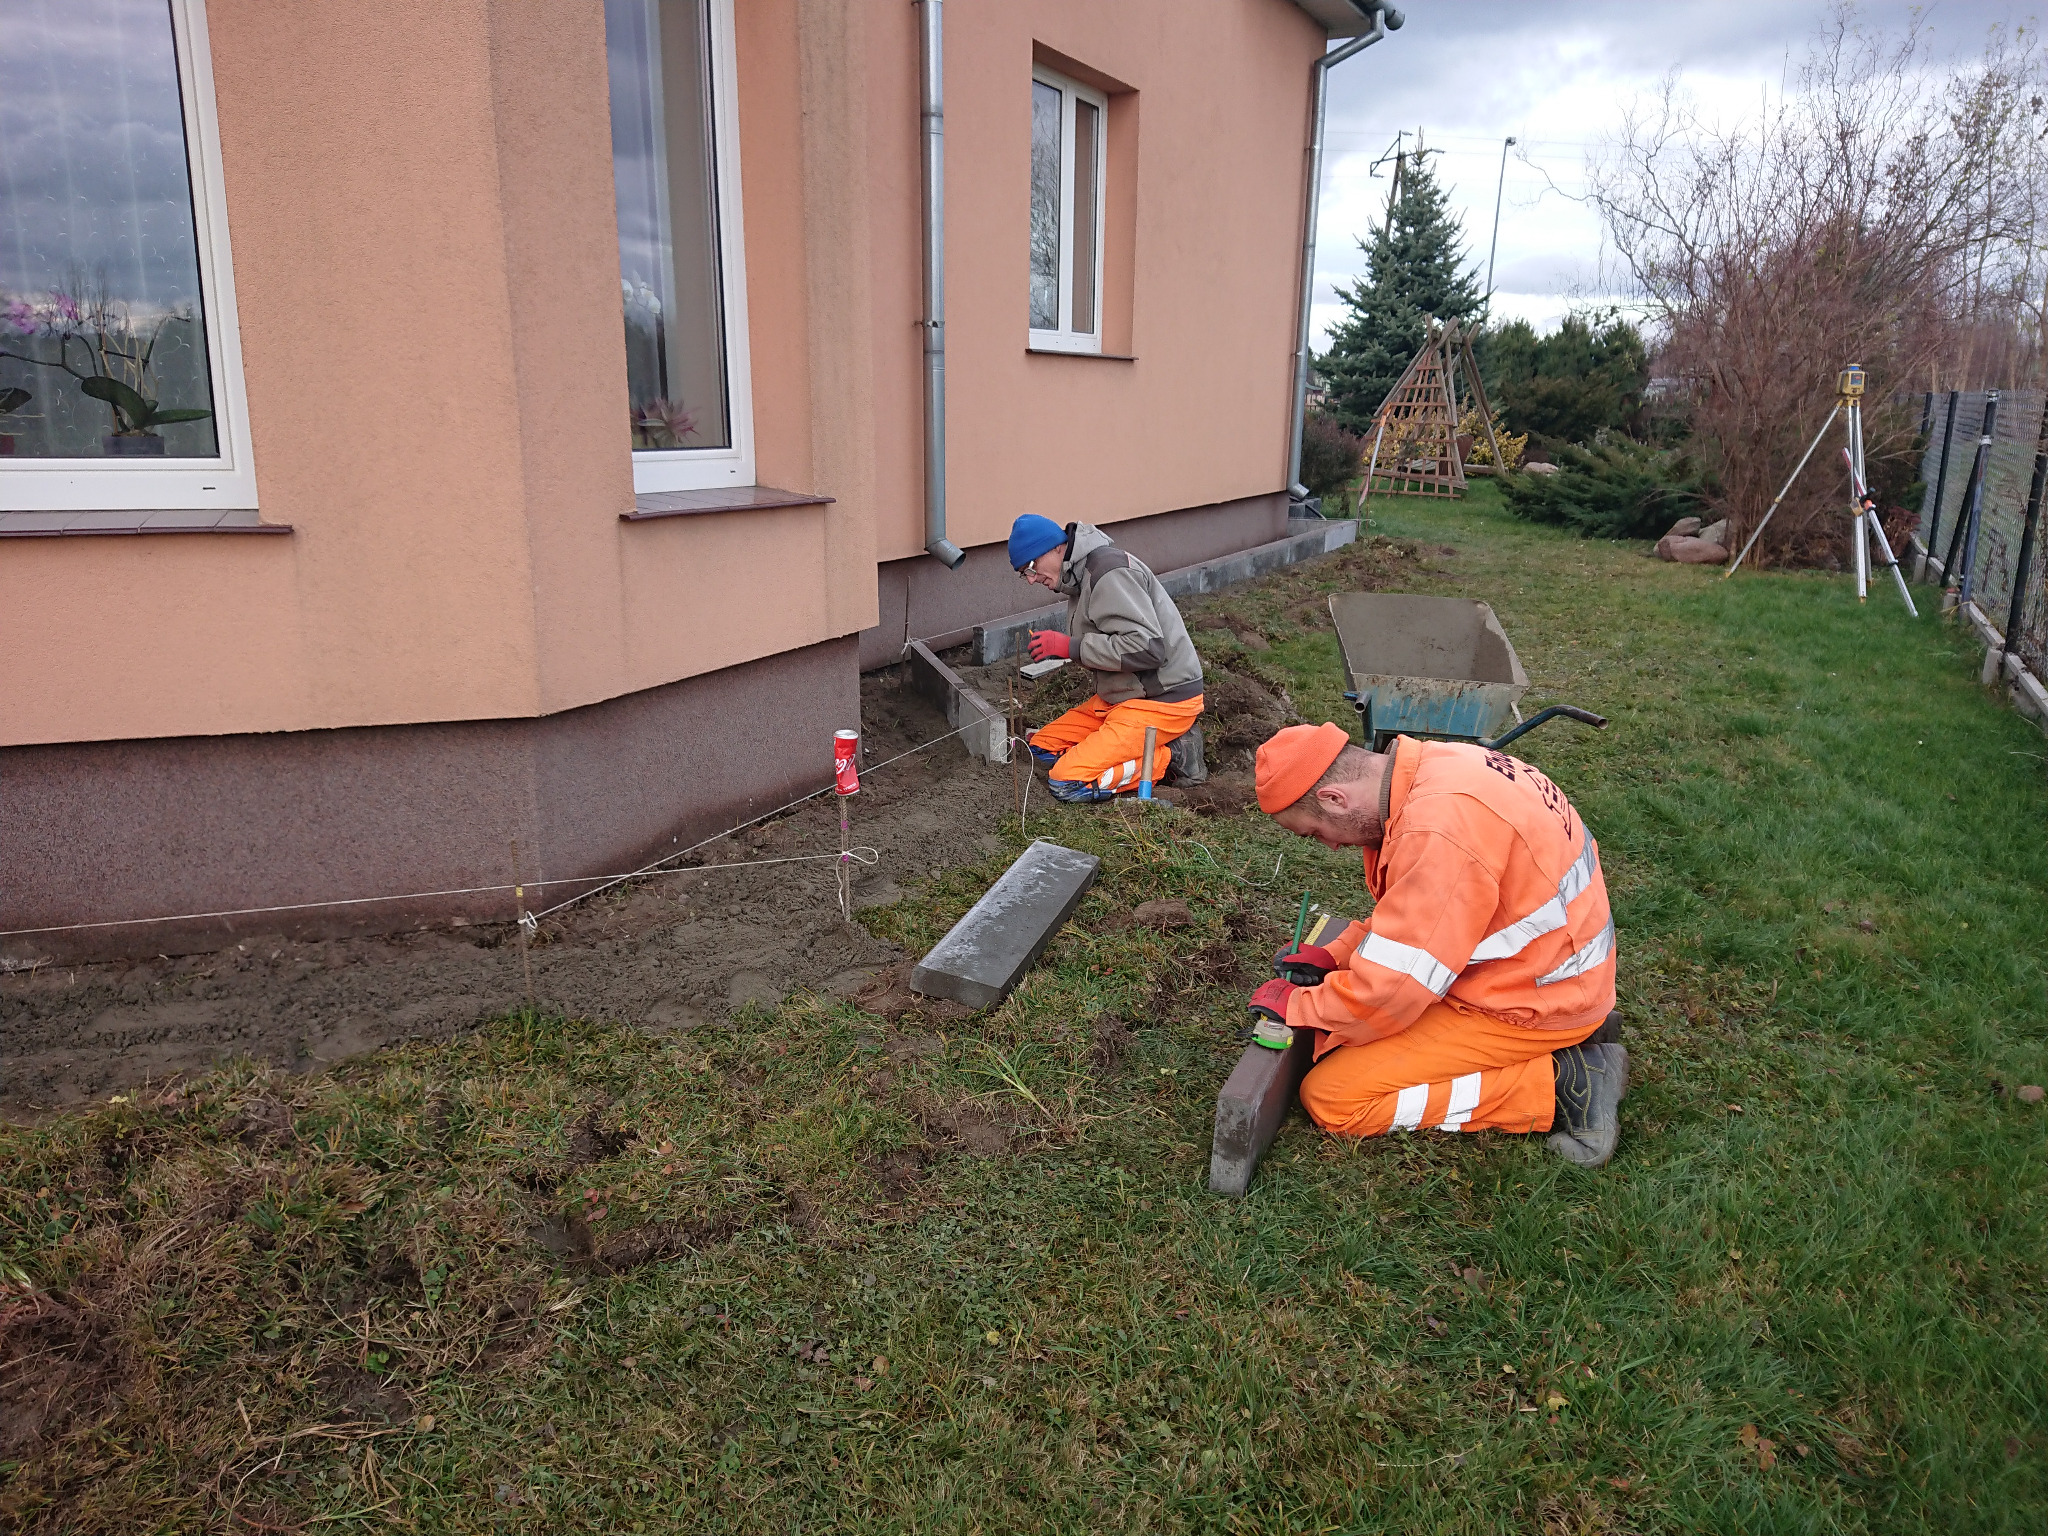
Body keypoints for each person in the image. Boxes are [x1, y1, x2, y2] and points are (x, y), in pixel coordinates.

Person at [1248, 722, 1627, 1166]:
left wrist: (1300, 1007)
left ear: (1335, 799)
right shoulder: (1436, 767)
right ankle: (1572, 1038)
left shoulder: (1438, 829)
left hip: (1526, 1003)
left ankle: (1565, 1080)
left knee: (1335, 1097)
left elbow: (1393, 988)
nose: (1330, 846)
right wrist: (1338, 953)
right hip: (1544, 972)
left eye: (1314, 832)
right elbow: (1428, 914)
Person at [1007, 514, 1204, 803]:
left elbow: (1148, 648)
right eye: (1024, 573)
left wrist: (1070, 648)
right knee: (1040, 748)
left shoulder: (1108, 573)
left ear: (1056, 548)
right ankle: (1115, 748)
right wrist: (1072, 648)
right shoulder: (1079, 578)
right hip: (1124, 696)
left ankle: (1173, 755)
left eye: (1032, 568)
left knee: (1066, 780)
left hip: (1163, 699)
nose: (1032, 579)